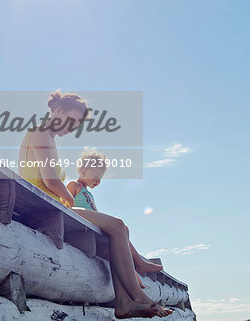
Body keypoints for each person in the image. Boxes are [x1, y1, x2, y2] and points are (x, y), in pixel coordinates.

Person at [19, 91, 173, 319]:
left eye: (77, 125)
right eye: (71, 120)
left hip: (56, 204)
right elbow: (50, 179)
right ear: (58, 111)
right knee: (118, 225)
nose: (72, 128)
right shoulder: (40, 132)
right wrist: (69, 200)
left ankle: (123, 302)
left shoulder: (49, 138)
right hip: (46, 206)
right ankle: (138, 296)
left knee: (119, 232)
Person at [66, 147, 164, 288]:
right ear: (83, 171)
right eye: (96, 176)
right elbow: (68, 205)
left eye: (100, 178)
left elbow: (94, 211)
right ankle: (138, 265)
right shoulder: (73, 185)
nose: (98, 181)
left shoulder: (88, 193)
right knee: (120, 227)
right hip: (84, 222)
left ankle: (133, 267)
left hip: (94, 221)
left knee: (123, 228)